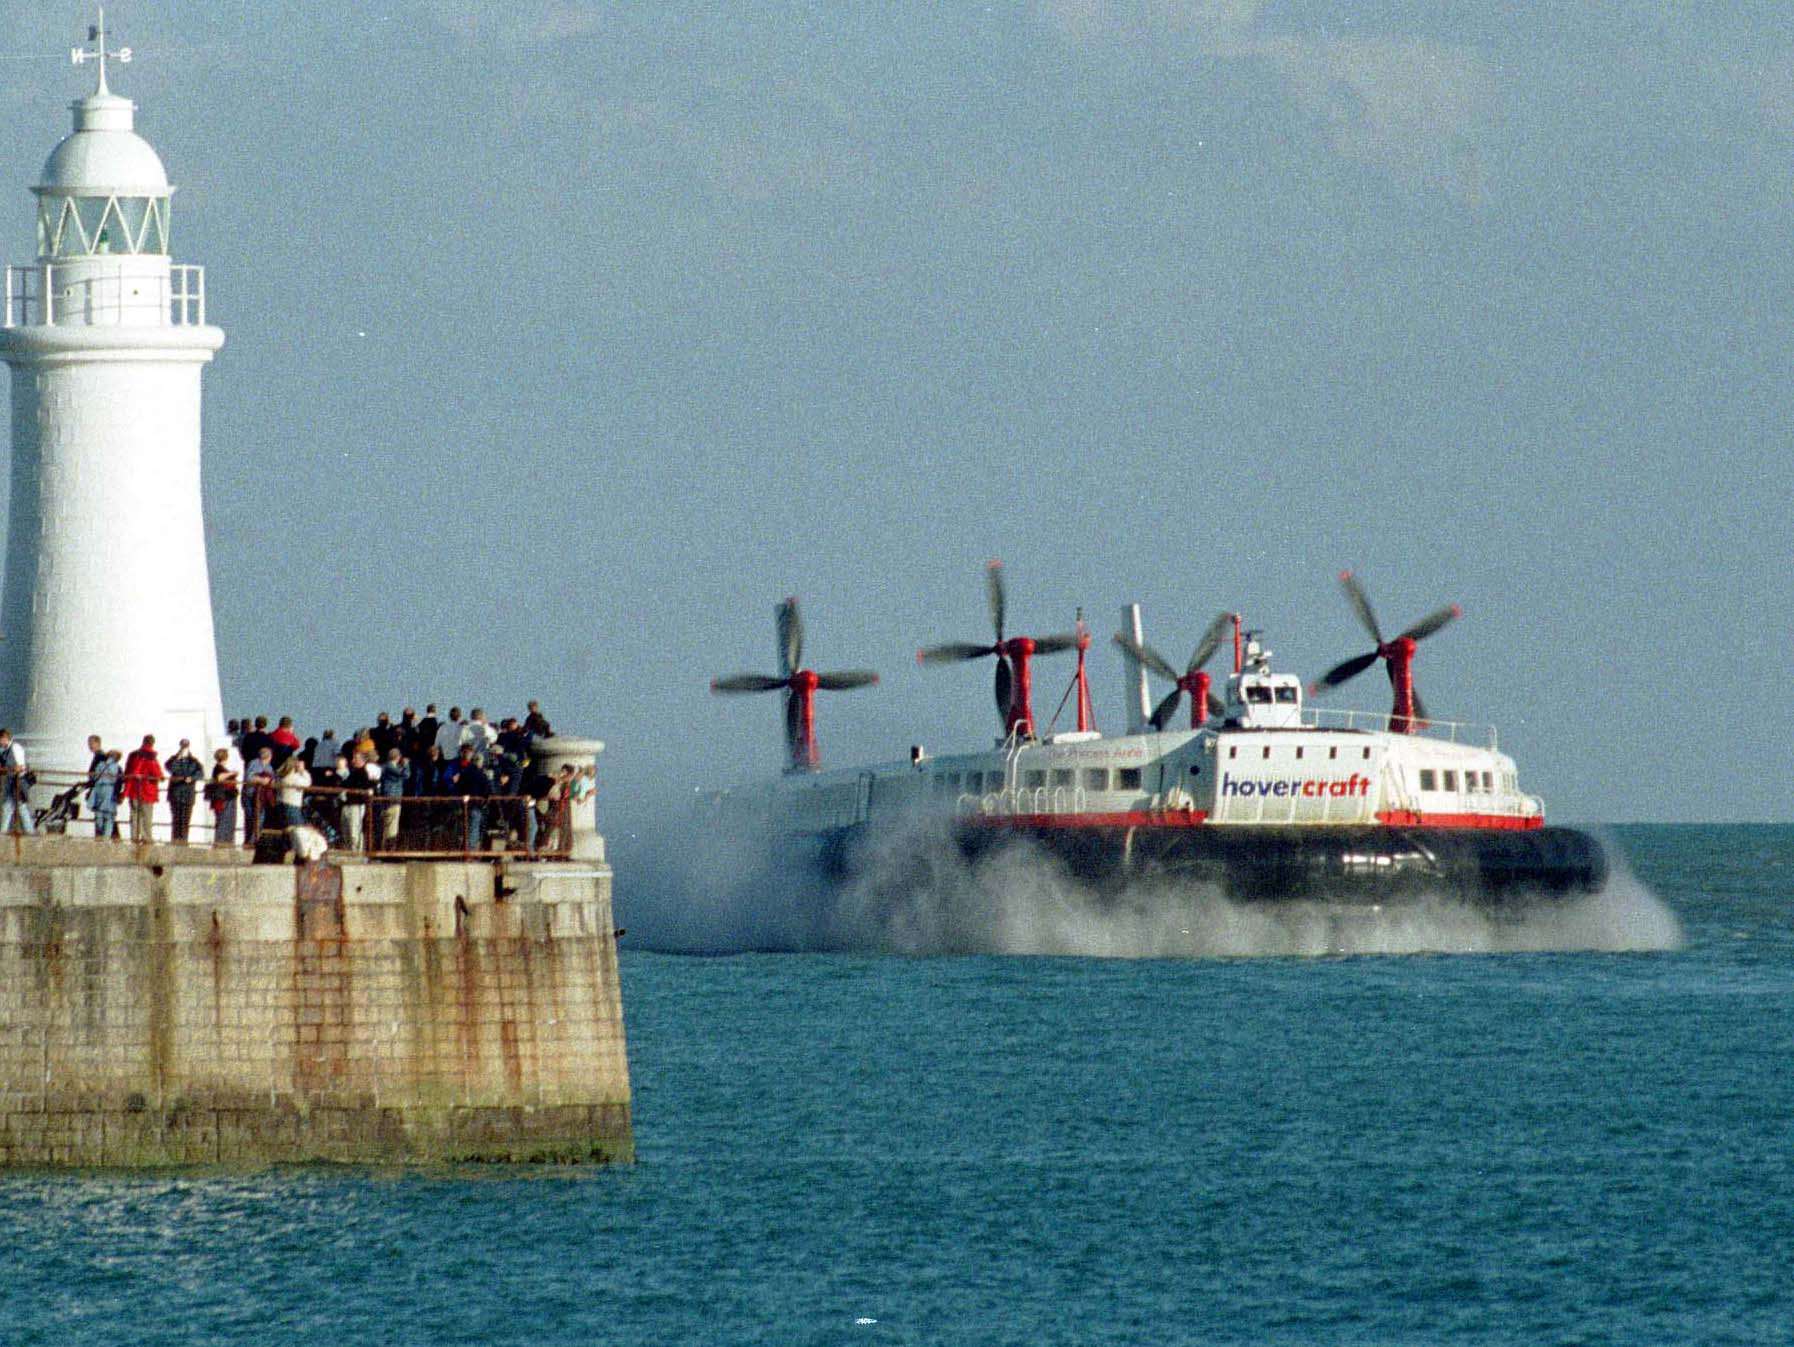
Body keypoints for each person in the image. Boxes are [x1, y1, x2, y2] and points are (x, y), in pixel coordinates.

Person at [121, 735, 164, 842]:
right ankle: (146, 838)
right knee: (147, 816)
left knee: (135, 815)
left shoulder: (133, 755)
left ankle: (134, 837)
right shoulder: (152, 757)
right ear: (152, 743)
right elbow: (157, 774)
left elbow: (127, 772)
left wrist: (125, 790)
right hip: (147, 791)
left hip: (133, 790)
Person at [451, 745, 492, 852]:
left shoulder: (464, 773)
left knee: (462, 828)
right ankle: (470, 851)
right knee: (473, 829)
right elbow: (487, 790)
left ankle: (460, 849)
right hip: (476, 806)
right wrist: (484, 801)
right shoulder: (482, 774)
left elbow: (458, 787)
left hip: (464, 805)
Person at [165, 739, 204, 843]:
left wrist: (192, 778)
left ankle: (183, 839)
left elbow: (201, 774)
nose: (184, 748)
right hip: (176, 793)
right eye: (183, 746)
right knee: (176, 818)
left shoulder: (194, 761)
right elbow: (170, 767)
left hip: (188, 794)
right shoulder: (174, 759)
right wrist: (178, 758)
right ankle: (175, 839)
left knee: (185, 818)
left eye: (185, 746)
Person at [0, 729, 34, 834]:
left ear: (5, 738)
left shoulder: (15, 748)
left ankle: (3, 833)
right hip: (11, 782)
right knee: (14, 808)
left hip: (18, 782)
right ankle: (29, 831)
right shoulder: (4, 751)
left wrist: (7, 769)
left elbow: (21, 766)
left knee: (15, 807)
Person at [340, 751, 375, 852]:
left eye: (355, 759)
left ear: (362, 761)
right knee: (346, 830)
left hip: (356, 805)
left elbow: (366, 786)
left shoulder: (363, 774)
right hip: (347, 804)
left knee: (354, 831)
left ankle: (357, 853)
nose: (353, 761)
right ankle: (348, 851)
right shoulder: (352, 773)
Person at [242, 745, 275, 845]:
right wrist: (261, 780)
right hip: (251, 794)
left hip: (262, 796)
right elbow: (248, 777)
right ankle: (250, 841)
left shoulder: (269, 767)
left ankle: (254, 841)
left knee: (260, 818)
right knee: (251, 818)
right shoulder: (254, 763)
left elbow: (272, 779)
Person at [207, 748, 239, 847]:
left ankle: (226, 841)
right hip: (223, 797)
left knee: (227, 819)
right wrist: (232, 773)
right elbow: (219, 777)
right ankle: (222, 841)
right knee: (223, 820)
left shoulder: (220, 768)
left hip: (227, 796)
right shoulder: (218, 768)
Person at [88, 750, 122, 840]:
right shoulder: (117, 767)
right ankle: (106, 836)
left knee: (99, 814)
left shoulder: (100, 765)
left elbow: (94, 776)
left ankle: (101, 834)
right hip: (110, 791)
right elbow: (117, 780)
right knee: (109, 815)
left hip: (99, 790)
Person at [377, 746, 406, 850]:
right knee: (392, 827)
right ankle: (389, 851)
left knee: (386, 826)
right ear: (398, 757)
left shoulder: (383, 767)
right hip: (393, 799)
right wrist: (406, 765)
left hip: (387, 798)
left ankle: (385, 849)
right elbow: (405, 775)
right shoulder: (391, 767)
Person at [273, 753, 310, 830]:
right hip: (292, 806)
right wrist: (303, 771)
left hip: (280, 805)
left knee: (286, 830)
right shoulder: (294, 777)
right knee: (298, 830)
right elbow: (307, 782)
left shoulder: (280, 776)